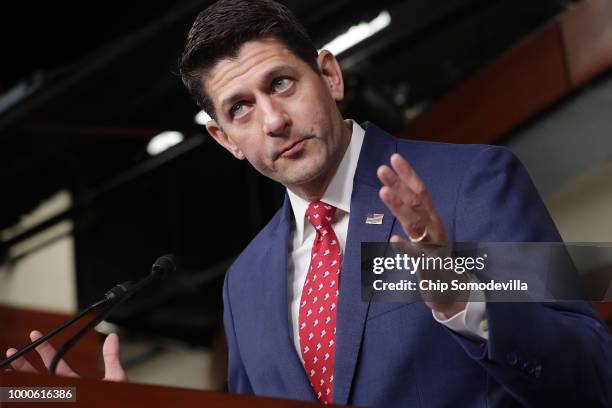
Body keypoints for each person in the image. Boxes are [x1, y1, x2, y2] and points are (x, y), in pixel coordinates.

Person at [6, 1, 611, 406]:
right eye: (240, 107)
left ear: (331, 75)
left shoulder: (472, 181)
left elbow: (592, 376)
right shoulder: (244, 284)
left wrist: (457, 293)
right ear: (225, 140)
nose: (272, 120)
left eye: (281, 83)